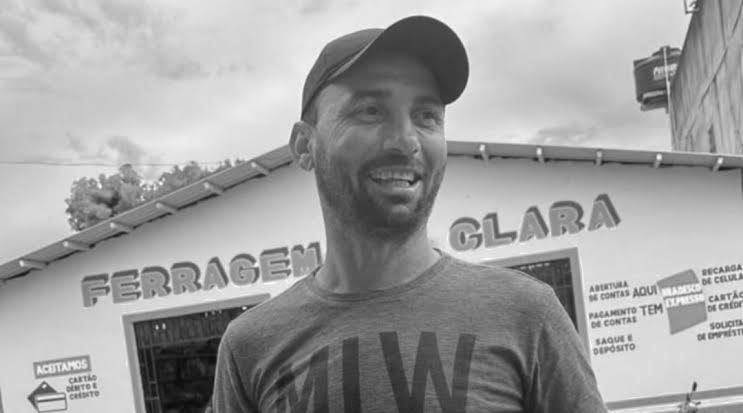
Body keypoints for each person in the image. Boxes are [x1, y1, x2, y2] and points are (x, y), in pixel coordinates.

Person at [213, 15, 607, 412]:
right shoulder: (250, 346)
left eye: (427, 117)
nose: (405, 140)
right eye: (370, 110)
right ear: (304, 145)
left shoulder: (527, 315)